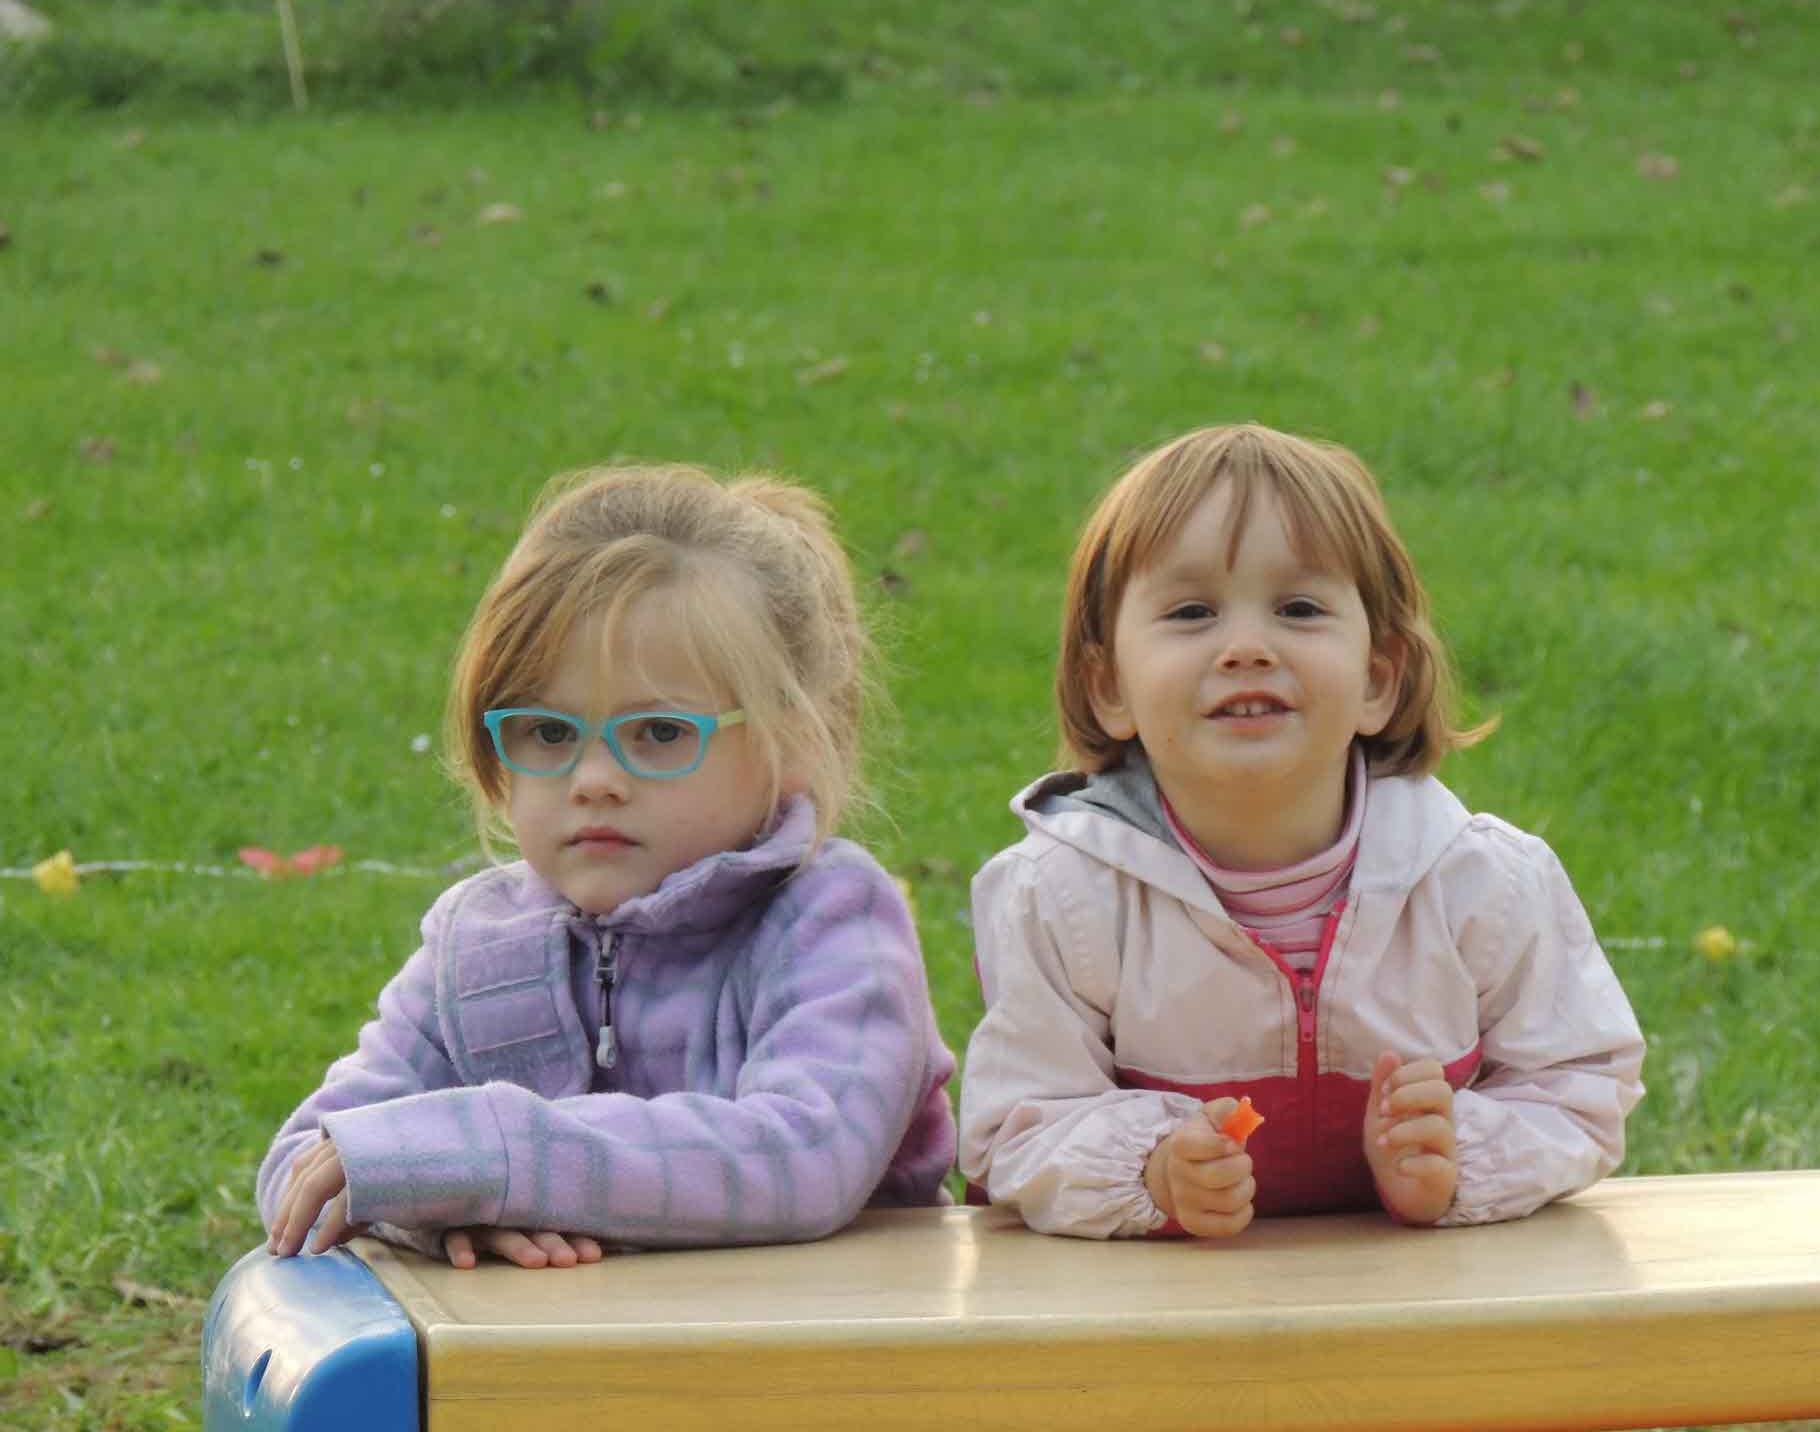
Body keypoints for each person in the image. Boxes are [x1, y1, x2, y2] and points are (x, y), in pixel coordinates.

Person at [260, 463, 957, 1268]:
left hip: (826, 1343)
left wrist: (499, 1160)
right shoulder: (475, 948)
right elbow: (304, 1166)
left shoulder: (831, 918)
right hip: (564, 1351)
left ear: (797, 738)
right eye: (549, 732)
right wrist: (442, 1208)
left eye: (659, 733)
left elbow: (804, 1154)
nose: (594, 780)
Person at [958, 423, 1644, 1238]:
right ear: (1109, 687)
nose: (1247, 647)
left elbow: (1579, 1086)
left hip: (1420, 1300)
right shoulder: (1062, 898)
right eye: (1191, 612)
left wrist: (1457, 1157)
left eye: (1299, 608)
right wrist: (1152, 1172)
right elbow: (1017, 1125)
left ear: (1378, 680)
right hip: (1160, 1303)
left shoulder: (1481, 885)